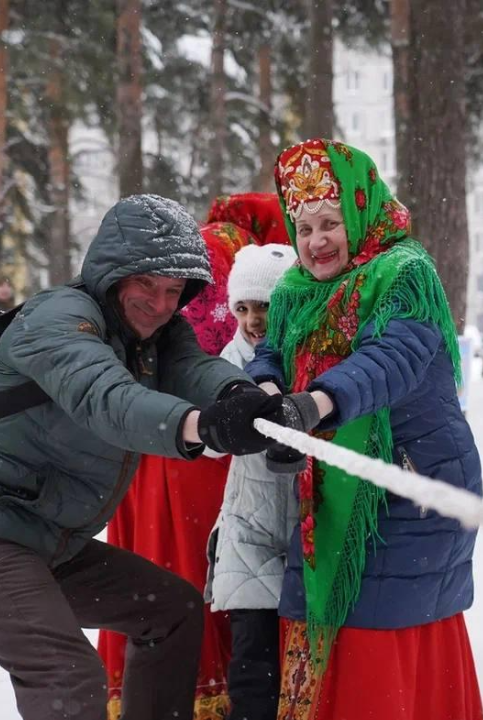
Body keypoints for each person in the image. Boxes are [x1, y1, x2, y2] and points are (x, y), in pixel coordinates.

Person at [0, 194, 290, 720]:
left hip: (51, 540)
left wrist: (242, 399)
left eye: (173, 291)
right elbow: (107, 398)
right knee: (66, 675)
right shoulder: (58, 318)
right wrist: (200, 425)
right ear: (113, 274)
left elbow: (196, 370)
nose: (161, 304)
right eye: (147, 286)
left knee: (172, 610)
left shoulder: (158, 332)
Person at [245, 139, 483, 719]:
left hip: (405, 489)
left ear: (360, 210)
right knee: (328, 633)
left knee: (381, 648)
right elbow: (271, 353)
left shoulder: (404, 274)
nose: (316, 241)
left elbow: (391, 360)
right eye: (303, 228)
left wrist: (319, 403)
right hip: (329, 494)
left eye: (330, 223)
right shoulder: (297, 289)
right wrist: (273, 398)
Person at [97, 219, 254, 719]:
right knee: (198, 569)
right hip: (200, 439)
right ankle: (205, 685)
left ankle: (155, 692)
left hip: (155, 434)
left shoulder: (194, 249)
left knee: (159, 564)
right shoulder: (231, 256)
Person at [204, 242, 298, 720]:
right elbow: (213, 445)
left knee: (303, 654)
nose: (252, 319)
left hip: (308, 515)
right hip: (249, 519)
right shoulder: (229, 358)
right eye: (243, 307)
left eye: (264, 306)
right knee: (251, 653)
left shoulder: (308, 353)